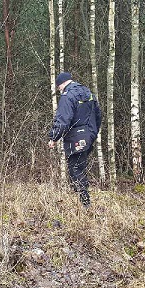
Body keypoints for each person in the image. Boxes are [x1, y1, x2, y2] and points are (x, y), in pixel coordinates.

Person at [48, 72, 102, 207]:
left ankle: (85, 204)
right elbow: (98, 115)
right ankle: (82, 202)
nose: (59, 90)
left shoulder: (68, 95)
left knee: (75, 168)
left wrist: (54, 137)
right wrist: (94, 132)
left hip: (76, 136)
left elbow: (63, 120)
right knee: (80, 167)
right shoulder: (87, 92)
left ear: (62, 84)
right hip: (90, 134)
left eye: (59, 87)